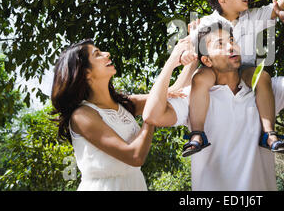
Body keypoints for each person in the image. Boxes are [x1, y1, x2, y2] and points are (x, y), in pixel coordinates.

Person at [143, 1, 284, 190]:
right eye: (220, 44)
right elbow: (151, 115)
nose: (231, 47)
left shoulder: (264, 90)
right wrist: (173, 60)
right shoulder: (196, 96)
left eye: (232, 41)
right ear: (206, 60)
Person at [182, 0, 284, 157]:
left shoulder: (251, 16)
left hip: (243, 68)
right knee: (200, 77)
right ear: (222, 0)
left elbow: (276, 8)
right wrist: (186, 53)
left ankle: (269, 134)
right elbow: (187, 47)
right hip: (216, 70)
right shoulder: (205, 23)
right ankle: (197, 134)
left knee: (262, 76)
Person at [50, 39, 194, 190]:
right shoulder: (82, 115)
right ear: (86, 73)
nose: (107, 54)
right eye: (97, 54)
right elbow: (134, 156)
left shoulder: (124, 104)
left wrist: (195, 44)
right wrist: (151, 116)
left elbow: (178, 91)